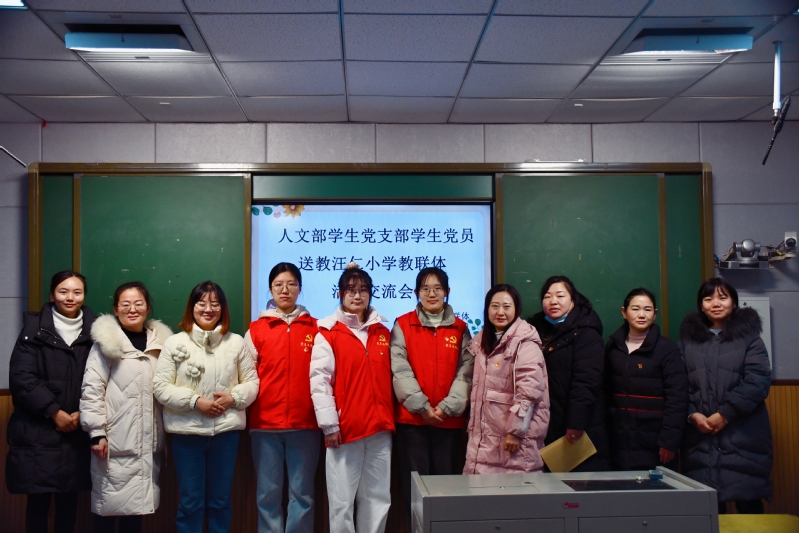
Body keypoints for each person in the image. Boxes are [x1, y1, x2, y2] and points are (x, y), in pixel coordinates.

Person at [153, 281, 259, 533]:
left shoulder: (236, 342)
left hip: (226, 434)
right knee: (190, 502)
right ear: (192, 307)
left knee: (220, 502)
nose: (208, 309)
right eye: (202, 303)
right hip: (186, 435)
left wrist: (233, 398)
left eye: (215, 304)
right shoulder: (174, 343)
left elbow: (252, 382)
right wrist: (194, 402)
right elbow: (160, 386)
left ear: (223, 308)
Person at [6, 270, 95, 533]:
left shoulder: (97, 332)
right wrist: (54, 411)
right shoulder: (32, 330)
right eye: (63, 291)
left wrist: (83, 412)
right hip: (38, 431)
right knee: (38, 504)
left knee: (69, 504)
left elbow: (104, 378)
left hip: (78, 430)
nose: (70, 297)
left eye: (77, 292)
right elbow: (22, 378)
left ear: (84, 296)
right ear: (52, 294)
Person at [80, 281, 173, 533]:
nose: (132, 309)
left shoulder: (161, 345)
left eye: (138, 303)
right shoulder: (106, 344)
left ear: (148, 307)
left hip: (148, 442)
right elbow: (92, 390)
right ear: (116, 309)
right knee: (107, 509)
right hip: (114, 442)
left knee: (136, 512)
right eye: (125, 304)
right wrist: (96, 432)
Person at [310, 263, 394, 533]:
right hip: (345, 431)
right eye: (351, 290)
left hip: (380, 429)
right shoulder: (328, 333)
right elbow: (319, 382)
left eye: (363, 290)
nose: (358, 296)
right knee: (341, 502)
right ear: (340, 294)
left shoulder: (382, 332)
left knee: (378, 499)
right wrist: (330, 425)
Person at [679, 278, 772, 514]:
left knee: (749, 508)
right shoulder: (687, 342)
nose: (715, 303)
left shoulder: (750, 339)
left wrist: (725, 414)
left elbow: (758, 381)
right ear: (701, 306)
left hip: (744, 436)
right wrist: (692, 415)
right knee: (708, 512)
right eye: (708, 298)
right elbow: (678, 386)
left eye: (722, 297)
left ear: (734, 303)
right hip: (700, 438)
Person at [391, 267, 474, 523]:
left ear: (447, 292)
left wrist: (447, 407)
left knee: (446, 489)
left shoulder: (460, 328)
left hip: (448, 422)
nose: (432, 294)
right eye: (425, 289)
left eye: (438, 288)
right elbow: (399, 369)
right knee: (415, 490)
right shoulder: (403, 324)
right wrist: (422, 407)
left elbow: (466, 372)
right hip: (412, 422)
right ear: (417, 292)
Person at [246, 263, 320, 533]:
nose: (285, 290)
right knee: (267, 494)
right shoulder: (256, 330)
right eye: (278, 285)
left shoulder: (316, 328)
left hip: (305, 423)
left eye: (291, 284)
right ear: (270, 289)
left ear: (300, 288)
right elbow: (245, 376)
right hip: (265, 424)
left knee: (302, 494)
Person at [463, 284, 549, 474]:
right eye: (494, 306)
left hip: (512, 440)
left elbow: (528, 392)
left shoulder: (525, 343)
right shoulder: (481, 343)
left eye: (506, 306)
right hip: (484, 440)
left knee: (513, 489)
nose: (500, 312)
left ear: (516, 309)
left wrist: (515, 432)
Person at [529, 275, 610, 471]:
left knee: (573, 482)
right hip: (544, 421)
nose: (553, 301)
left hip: (575, 425)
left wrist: (576, 422)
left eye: (560, 295)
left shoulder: (586, 332)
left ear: (573, 300)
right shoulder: (533, 330)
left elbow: (586, 381)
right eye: (547, 296)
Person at [604, 288, 687, 471]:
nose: (641, 314)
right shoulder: (613, 347)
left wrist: (669, 441)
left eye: (647, 309)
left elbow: (677, 398)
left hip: (654, 441)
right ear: (624, 312)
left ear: (655, 314)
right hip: (618, 439)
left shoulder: (667, 349)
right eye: (635, 309)